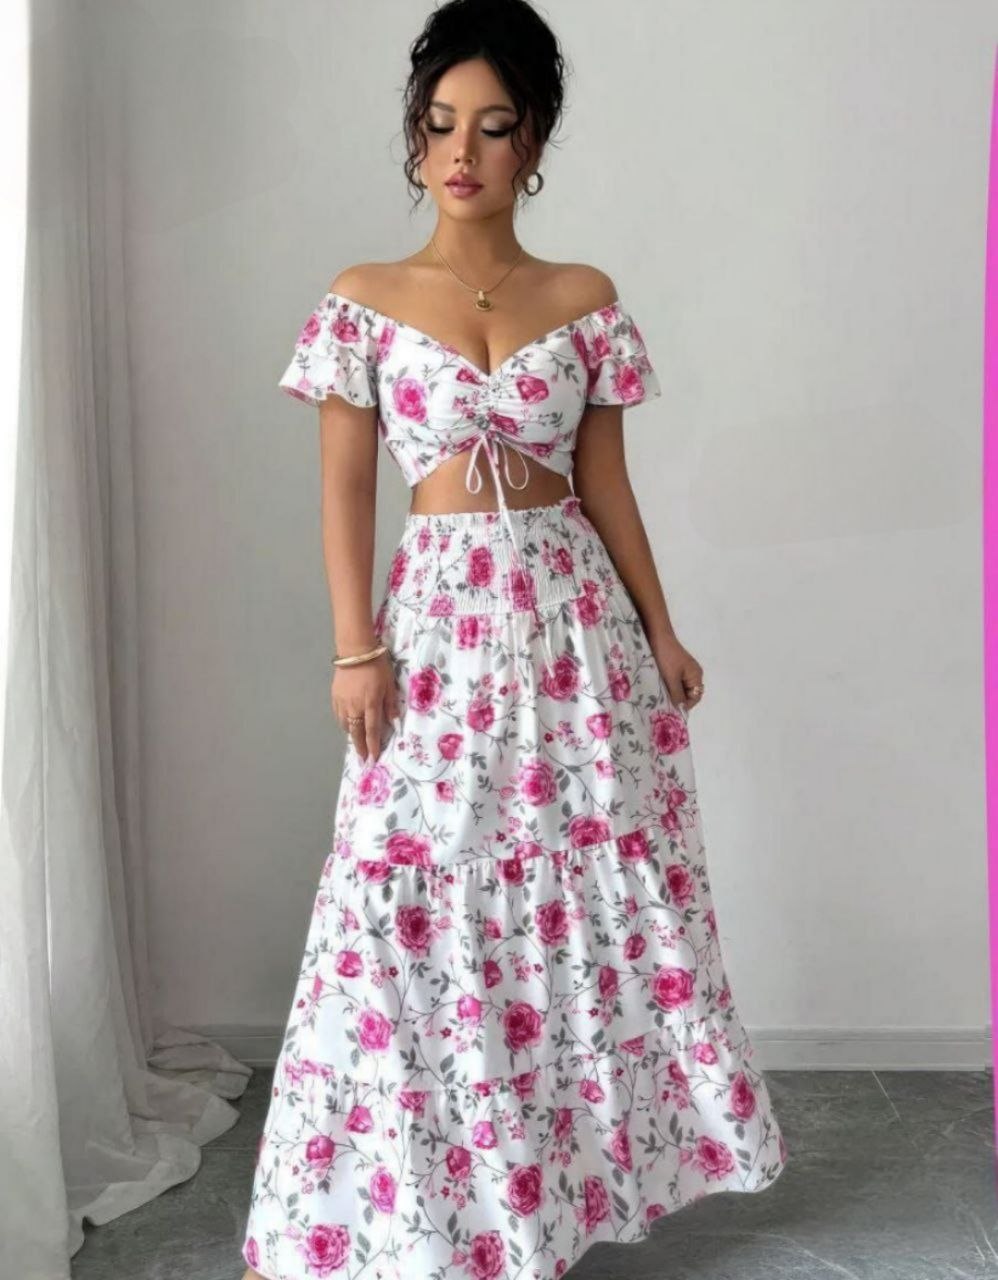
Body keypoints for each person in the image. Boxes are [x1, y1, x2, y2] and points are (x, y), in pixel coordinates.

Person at [241, 2, 787, 1277]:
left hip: (573, 630)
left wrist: (660, 628)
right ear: (414, 135)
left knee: (580, 895)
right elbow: (343, 491)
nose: (460, 152)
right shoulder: (363, 301)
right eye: (438, 125)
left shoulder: (581, 298)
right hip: (434, 626)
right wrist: (354, 649)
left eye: (491, 127)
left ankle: (545, 1205)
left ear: (531, 142)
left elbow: (606, 484)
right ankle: (376, 1214)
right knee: (402, 888)